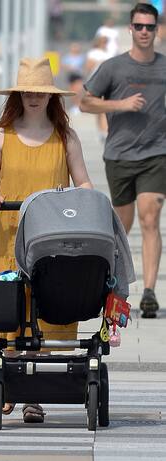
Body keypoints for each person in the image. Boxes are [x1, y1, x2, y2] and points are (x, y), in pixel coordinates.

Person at [0, 57, 92, 423]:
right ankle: (9, 382)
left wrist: (79, 201)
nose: (33, 98)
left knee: (44, 312)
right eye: (27, 91)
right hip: (9, 233)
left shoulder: (65, 136)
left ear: (50, 97)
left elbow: (84, 183)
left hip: (52, 237)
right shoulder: (2, 135)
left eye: (40, 92)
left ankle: (32, 396)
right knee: (10, 312)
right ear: (18, 94)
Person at [80, 3, 166, 319]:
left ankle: (149, 292)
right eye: (139, 26)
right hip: (119, 156)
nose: (145, 32)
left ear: (157, 30)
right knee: (123, 225)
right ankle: (113, 286)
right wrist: (121, 104)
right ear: (130, 29)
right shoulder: (114, 67)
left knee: (150, 216)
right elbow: (85, 102)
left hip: (157, 154)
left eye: (150, 27)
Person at [85, 35, 111, 142]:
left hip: (106, 82)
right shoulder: (93, 52)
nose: (105, 43)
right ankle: (100, 130)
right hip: (95, 81)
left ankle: (105, 131)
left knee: (104, 107)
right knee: (98, 108)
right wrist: (99, 63)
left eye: (106, 42)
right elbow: (88, 67)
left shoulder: (109, 53)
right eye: (104, 41)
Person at [61, 42, 85, 113]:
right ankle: (75, 106)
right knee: (72, 92)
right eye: (74, 47)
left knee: (79, 91)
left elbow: (84, 66)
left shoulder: (81, 57)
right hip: (71, 76)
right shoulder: (67, 57)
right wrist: (69, 67)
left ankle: (79, 105)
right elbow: (63, 65)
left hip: (78, 76)